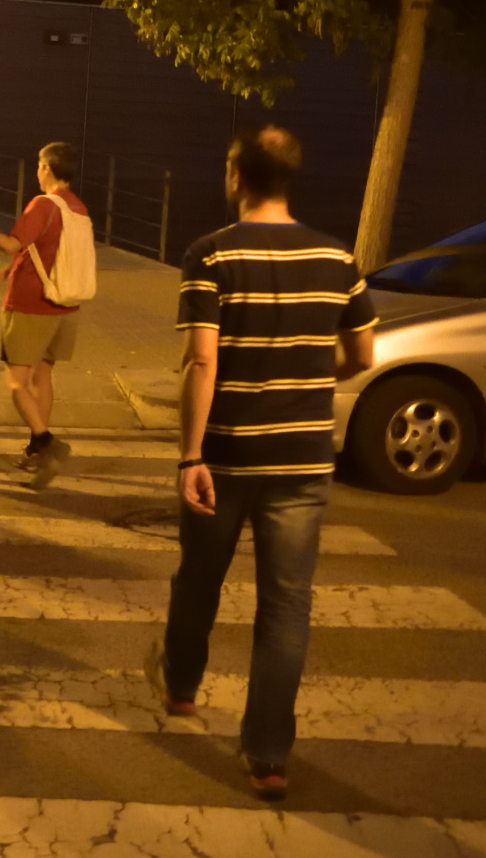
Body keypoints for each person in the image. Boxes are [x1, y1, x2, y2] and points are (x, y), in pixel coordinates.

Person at [152, 126, 375, 802]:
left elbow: (202, 360)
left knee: (199, 578)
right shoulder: (339, 258)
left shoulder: (211, 253)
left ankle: (182, 686)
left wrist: (190, 454)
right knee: (286, 606)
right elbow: (363, 355)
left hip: (227, 454)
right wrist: (307, 377)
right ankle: (268, 754)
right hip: (303, 461)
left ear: (236, 176)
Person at [0, 141, 91, 489]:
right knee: (43, 376)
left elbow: (11, 243)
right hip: (65, 305)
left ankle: (47, 443)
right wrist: (8, 271)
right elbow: (50, 251)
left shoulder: (43, 204)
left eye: (39, 165)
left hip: (31, 306)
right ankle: (36, 450)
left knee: (16, 383)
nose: (37, 171)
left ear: (48, 168)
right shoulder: (78, 207)